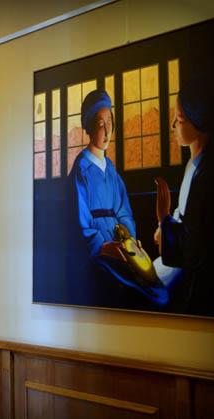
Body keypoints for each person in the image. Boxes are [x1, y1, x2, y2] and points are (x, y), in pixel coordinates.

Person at [67, 89, 166, 308]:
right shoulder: (81, 168)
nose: (106, 130)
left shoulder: (111, 169)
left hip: (121, 243)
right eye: (100, 124)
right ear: (89, 127)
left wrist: (130, 239)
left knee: (152, 286)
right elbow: (79, 219)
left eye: (109, 123)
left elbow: (123, 211)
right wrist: (101, 246)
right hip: (97, 249)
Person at [153, 81, 214, 316]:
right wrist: (165, 227)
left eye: (179, 119)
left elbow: (193, 245)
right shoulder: (195, 165)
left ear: (197, 121)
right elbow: (185, 217)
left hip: (197, 275)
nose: (173, 125)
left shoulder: (206, 175)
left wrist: (164, 218)